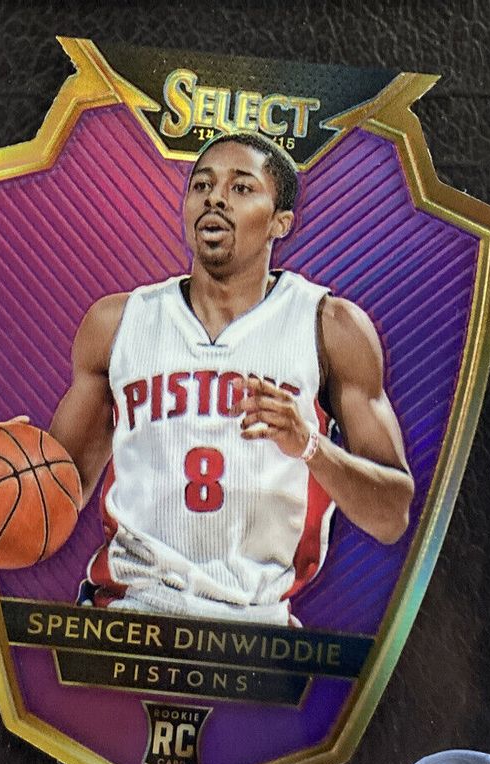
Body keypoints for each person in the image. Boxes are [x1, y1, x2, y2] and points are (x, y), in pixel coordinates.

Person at [49, 131, 414, 625]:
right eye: (202, 185)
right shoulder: (117, 323)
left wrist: (310, 445)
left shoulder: (331, 327)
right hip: (129, 615)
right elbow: (52, 496)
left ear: (281, 222)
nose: (215, 198)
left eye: (241, 188)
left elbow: (392, 515)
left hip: (256, 630)